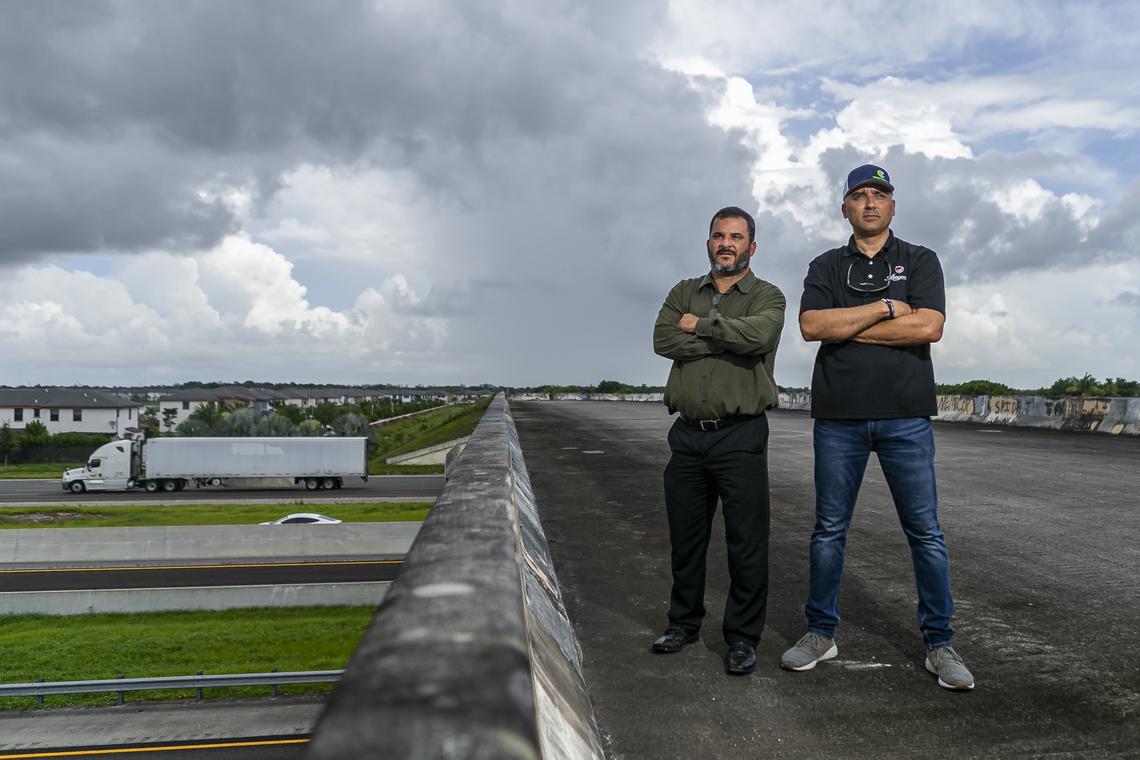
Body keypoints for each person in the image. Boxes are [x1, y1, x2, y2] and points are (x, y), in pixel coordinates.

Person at [781, 164, 974, 690]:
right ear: (844, 207)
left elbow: (930, 326)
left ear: (893, 206)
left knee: (926, 535)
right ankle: (821, 632)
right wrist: (887, 309)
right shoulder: (825, 264)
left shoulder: (920, 259)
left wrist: (848, 327)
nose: (870, 203)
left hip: (906, 417)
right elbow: (811, 326)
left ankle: (939, 644)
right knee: (828, 532)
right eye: (859, 195)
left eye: (880, 195)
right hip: (838, 419)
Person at [651, 206, 786, 675]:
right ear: (708, 242)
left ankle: (743, 638)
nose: (725, 243)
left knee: (746, 543)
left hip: (740, 436)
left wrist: (701, 326)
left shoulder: (768, 295)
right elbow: (663, 340)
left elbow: (760, 335)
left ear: (752, 246)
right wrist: (725, 338)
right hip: (687, 437)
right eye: (717, 236)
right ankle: (683, 624)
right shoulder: (683, 292)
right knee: (686, 541)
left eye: (735, 236)